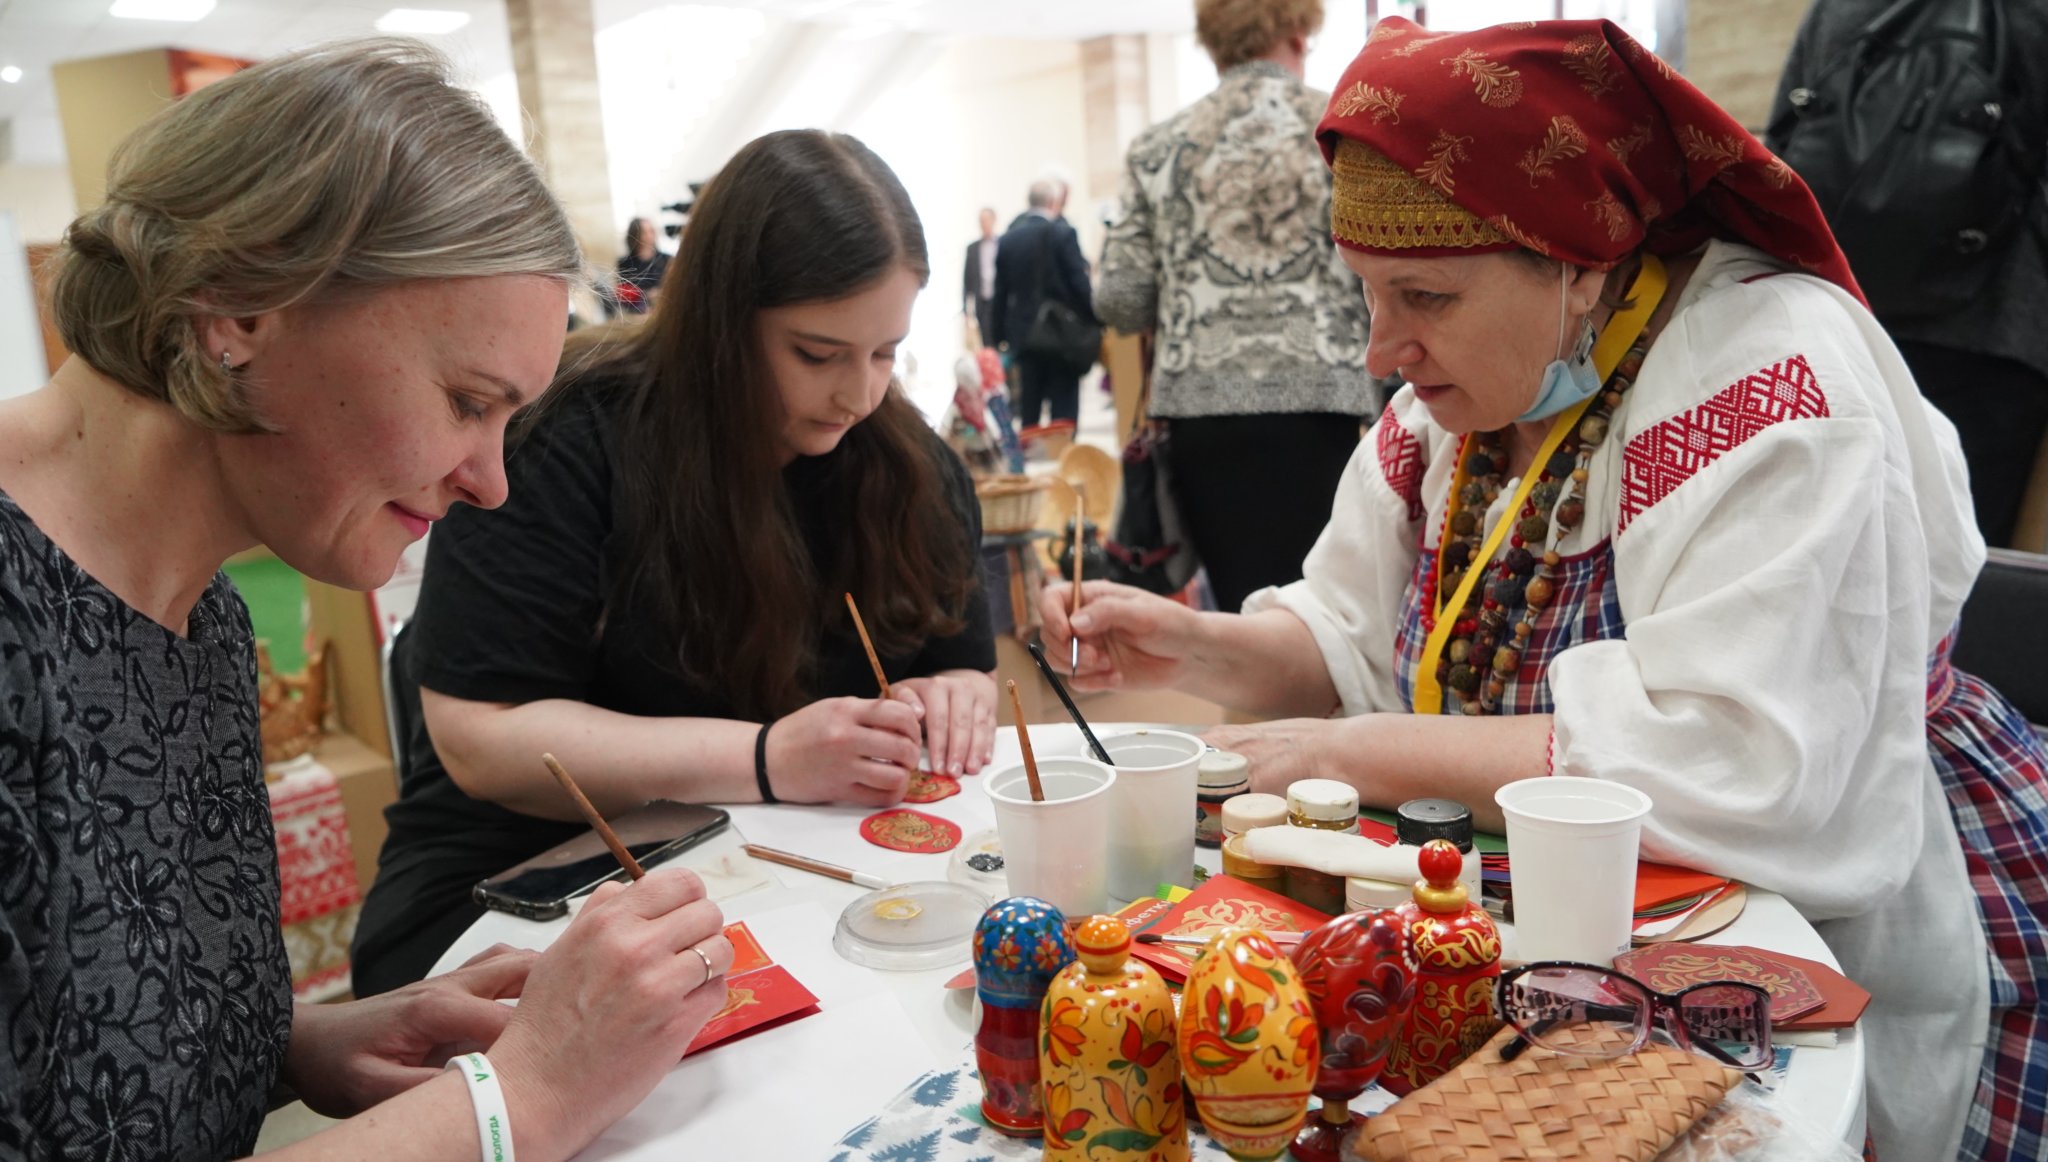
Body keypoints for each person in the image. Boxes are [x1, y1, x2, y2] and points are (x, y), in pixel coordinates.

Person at [1041, 19, 2048, 1162]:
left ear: (1574, 259)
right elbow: (1352, 633)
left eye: (1420, 296)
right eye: (1365, 294)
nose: (1381, 348)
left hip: (1809, 911)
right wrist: (1188, 644)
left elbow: (1737, 764)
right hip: (1548, 922)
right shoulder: (1461, 404)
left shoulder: (1768, 379)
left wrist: (1355, 752)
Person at [0, 40, 734, 1161]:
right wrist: (518, 1100)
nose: (489, 482)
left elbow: (76, 1037)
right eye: (464, 400)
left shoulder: (201, 618)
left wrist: (303, 1040)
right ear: (238, 306)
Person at [351, 129, 998, 994]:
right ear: (723, 322)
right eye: (817, 353)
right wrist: (768, 758)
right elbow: (482, 740)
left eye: (885, 352)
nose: (860, 394)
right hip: (518, 883)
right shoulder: (566, 439)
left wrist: (956, 696)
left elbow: (963, 663)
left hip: (767, 872)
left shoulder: (901, 460)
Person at [1096, 0, 1376, 613]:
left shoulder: (1158, 149)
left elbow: (1120, 298)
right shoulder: (1344, 135)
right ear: (1300, 35)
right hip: (1326, 409)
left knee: (1244, 616)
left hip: (1203, 416)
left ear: (1215, 44)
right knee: (1335, 616)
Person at [1768, 0, 2048, 548]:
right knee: (1961, 562)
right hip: (1988, 335)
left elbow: (1780, 153)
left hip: (1839, 321)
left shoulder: (1840, 9)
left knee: (1833, 547)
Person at [990, 177, 1096, 427]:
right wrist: (1094, 318)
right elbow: (1079, 283)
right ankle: (1063, 459)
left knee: (1030, 399)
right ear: (1053, 202)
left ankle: (1031, 454)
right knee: (1064, 402)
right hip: (1062, 334)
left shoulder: (1008, 240)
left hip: (1025, 336)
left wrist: (998, 337)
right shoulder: (1063, 233)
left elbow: (1000, 294)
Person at [614, 215, 670, 315]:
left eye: (651, 231)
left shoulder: (666, 259)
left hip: (664, 310)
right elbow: (624, 295)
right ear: (635, 235)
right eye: (644, 232)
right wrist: (646, 295)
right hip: (638, 314)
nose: (649, 236)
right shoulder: (625, 263)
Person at [962, 206, 1000, 349]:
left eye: (987, 220)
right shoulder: (972, 249)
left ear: (994, 220)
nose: (984, 224)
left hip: (998, 300)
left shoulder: (1002, 245)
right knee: (986, 341)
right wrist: (966, 310)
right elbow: (966, 281)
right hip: (982, 301)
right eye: (981, 221)